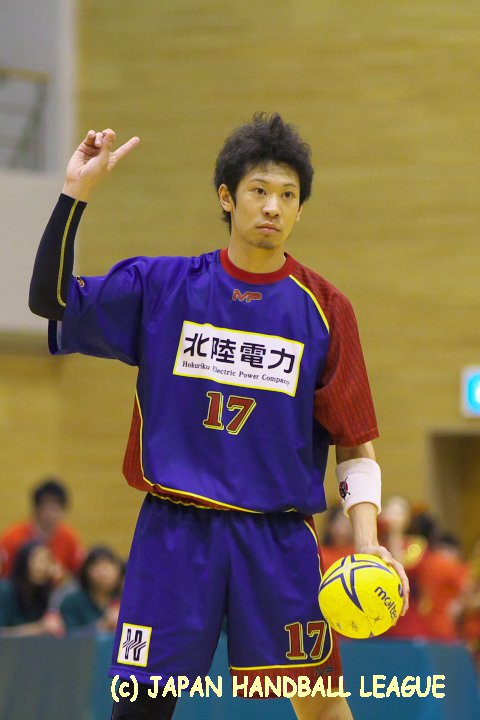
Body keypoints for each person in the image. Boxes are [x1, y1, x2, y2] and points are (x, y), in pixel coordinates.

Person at [29, 115, 409, 720]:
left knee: (321, 707)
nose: (273, 207)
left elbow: (355, 444)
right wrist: (77, 193)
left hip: (278, 538)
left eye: (288, 195)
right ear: (227, 197)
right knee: (140, 707)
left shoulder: (327, 310)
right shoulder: (163, 287)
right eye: (259, 190)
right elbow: (49, 301)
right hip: (175, 534)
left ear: (300, 209)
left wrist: (366, 545)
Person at [0, 478, 85, 582]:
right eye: (46, 508)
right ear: (36, 509)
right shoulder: (12, 537)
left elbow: (81, 573)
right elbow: (3, 575)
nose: (51, 515)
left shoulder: (70, 538)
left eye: (56, 509)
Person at [0, 540, 65, 637]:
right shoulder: (5, 591)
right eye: (39, 561)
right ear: (24, 562)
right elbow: (2, 635)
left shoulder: (42, 593)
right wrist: (40, 628)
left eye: (48, 561)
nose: (43, 567)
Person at [60, 545, 123, 632]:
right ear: (86, 571)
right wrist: (104, 625)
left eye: (109, 565)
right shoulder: (72, 601)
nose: (104, 572)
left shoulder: (127, 600)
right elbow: (68, 636)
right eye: (97, 565)